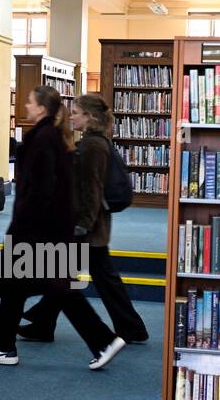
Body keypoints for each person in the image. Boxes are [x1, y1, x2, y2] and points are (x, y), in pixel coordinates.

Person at [0, 86, 125, 370]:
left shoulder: (42, 140)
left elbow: (39, 193)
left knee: (53, 288)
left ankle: (102, 339)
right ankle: (2, 346)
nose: (26, 105)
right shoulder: (54, 138)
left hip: (36, 231)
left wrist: (21, 230)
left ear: (42, 108)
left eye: (30, 101)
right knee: (20, 290)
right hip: (47, 229)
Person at [19, 93, 149, 344]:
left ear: (89, 117)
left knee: (83, 277)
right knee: (76, 276)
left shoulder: (92, 146)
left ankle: (45, 323)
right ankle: (44, 323)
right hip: (89, 225)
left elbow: (92, 189)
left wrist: (82, 225)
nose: (72, 117)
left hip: (86, 227)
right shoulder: (93, 142)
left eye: (76, 112)